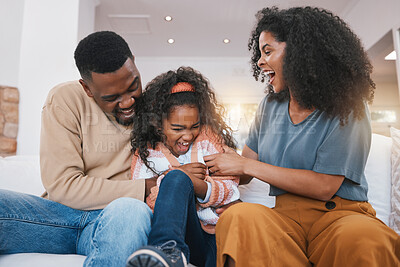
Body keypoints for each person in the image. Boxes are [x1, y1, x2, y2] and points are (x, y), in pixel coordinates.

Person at [203, 6, 400, 267]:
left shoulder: (349, 104)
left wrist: (245, 164)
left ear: (299, 52)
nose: (260, 62)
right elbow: (245, 170)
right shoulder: (269, 106)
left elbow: (324, 186)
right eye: (259, 53)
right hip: (285, 219)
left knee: (362, 238)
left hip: (341, 217)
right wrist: (213, 167)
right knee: (240, 217)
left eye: (268, 51)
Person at [0, 31, 154, 267]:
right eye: (112, 97)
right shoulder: (65, 99)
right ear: (87, 89)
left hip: (113, 218)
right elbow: (64, 186)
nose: (127, 102)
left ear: (133, 60)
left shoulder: (157, 104)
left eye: (133, 86)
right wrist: (144, 188)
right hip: (56, 215)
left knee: (131, 212)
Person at [126, 67, 239, 267]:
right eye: (177, 129)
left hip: (210, 237)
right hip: (178, 237)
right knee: (177, 177)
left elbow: (231, 190)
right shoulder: (147, 152)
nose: (188, 136)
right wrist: (176, 177)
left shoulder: (207, 141)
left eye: (194, 126)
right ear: (158, 125)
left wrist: (198, 185)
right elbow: (147, 203)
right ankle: (167, 251)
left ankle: (169, 252)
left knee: (178, 177)